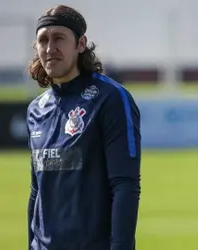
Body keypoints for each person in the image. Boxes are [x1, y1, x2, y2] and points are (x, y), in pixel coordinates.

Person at [26, 5, 141, 250]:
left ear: (80, 44)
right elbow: (36, 192)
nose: (50, 48)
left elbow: (125, 185)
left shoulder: (110, 98)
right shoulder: (36, 110)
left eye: (59, 38)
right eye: (43, 40)